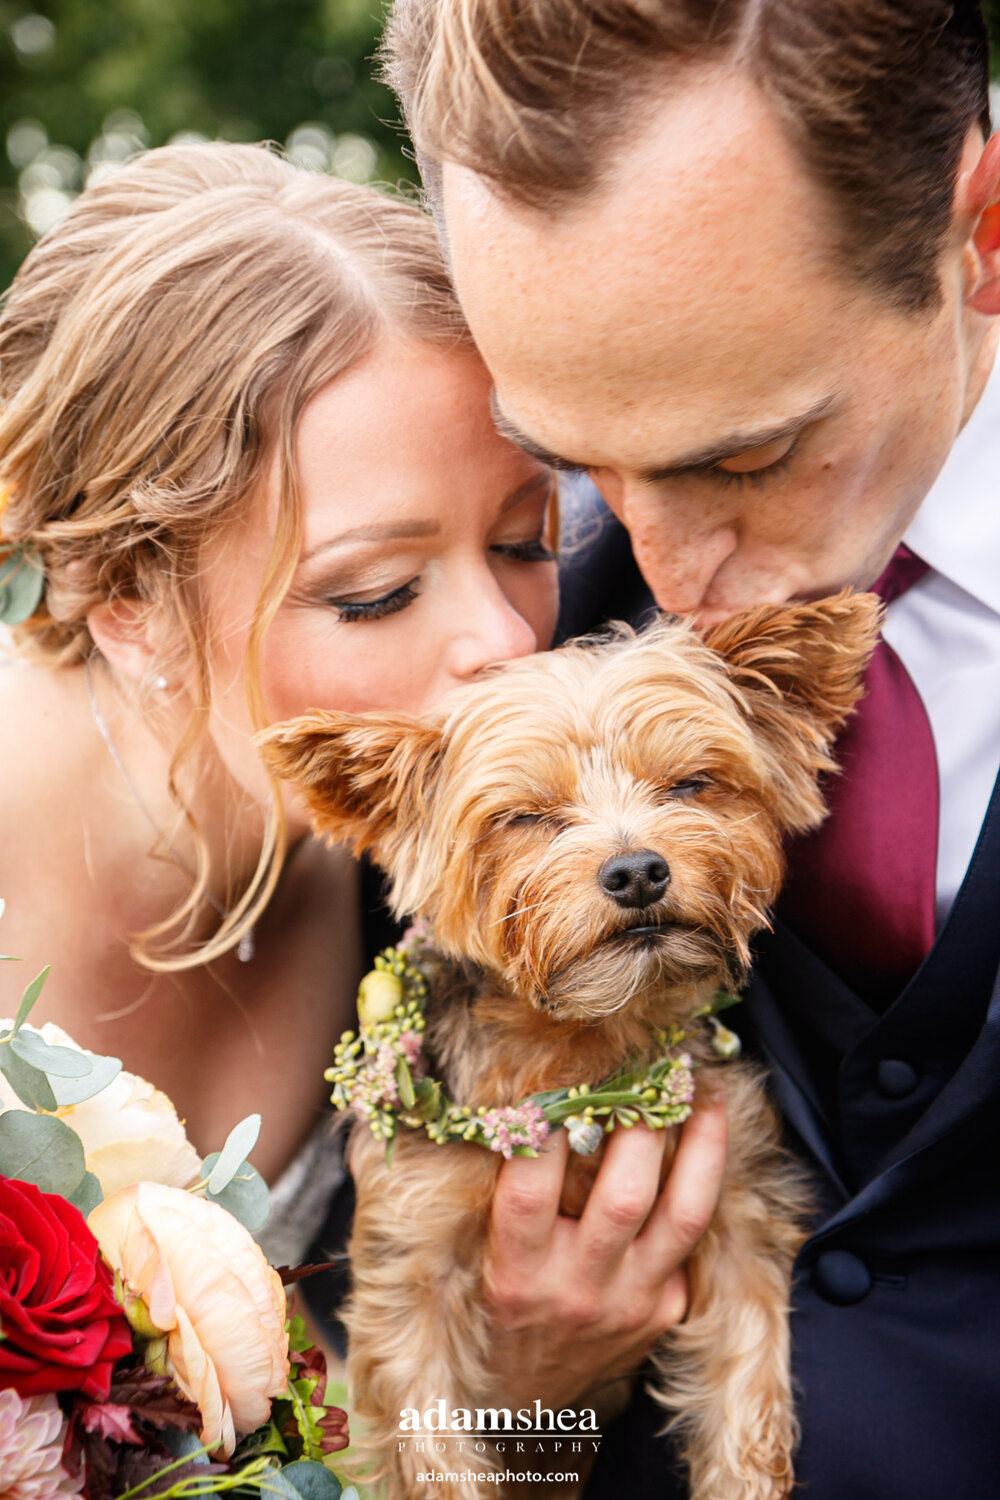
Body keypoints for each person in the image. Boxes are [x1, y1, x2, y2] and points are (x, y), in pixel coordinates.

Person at [379, 1, 1000, 1495]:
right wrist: (522, 1405)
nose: (662, 569)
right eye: (573, 462)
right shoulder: (464, 662)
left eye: (744, 456)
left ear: (979, 234)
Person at [0, 140, 558, 1268]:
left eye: (525, 542)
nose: (507, 642)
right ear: (125, 602)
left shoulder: (443, 871)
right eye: (375, 594)